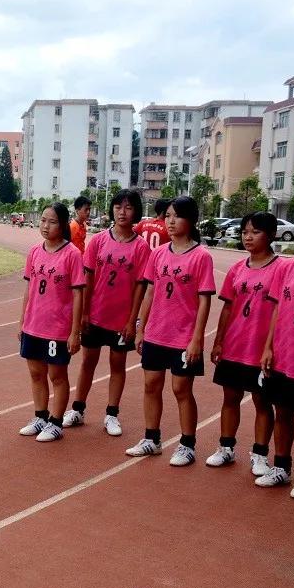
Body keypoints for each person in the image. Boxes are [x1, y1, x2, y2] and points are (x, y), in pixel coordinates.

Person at [130, 196, 216, 465]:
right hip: (156, 331)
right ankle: (151, 439)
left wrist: (196, 339)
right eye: (167, 215)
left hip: (183, 336)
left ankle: (187, 444)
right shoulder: (158, 254)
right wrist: (140, 328)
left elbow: (204, 300)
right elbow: (150, 292)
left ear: (190, 220)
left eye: (177, 216)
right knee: (151, 385)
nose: (170, 220)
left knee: (181, 389)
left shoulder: (201, 256)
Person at [64, 189, 150, 437]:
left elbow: (140, 288)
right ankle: (78, 409)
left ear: (136, 212)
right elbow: (87, 279)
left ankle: (112, 414)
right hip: (95, 315)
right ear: (112, 209)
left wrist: (132, 320)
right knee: (87, 362)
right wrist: (84, 313)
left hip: (120, 320)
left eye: (128, 207)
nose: (122, 212)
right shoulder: (99, 240)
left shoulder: (141, 248)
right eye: (118, 207)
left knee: (117, 365)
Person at [208, 211, 281, 473]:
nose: (248, 237)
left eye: (255, 232)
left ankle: (260, 454)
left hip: (261, 349)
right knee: (230, 397)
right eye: (244, 232)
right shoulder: (238, 269)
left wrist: (271, 347)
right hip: (234, 346)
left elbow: (279, 311)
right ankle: (226, 447)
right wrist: (218, 341)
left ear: (271, 235)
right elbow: (228, 308)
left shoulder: (280, 269)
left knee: (262, 402)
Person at [17, 202, 84, 443]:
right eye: (43, 220)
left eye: (52, 221)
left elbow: (78, 294)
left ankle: (56, 422)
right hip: (33, 325)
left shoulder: (72, 254)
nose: (45, 226)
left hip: (57, 328)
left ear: (63, 224)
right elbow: (29, 288)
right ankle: (41, 416)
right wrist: (22, 321)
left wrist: (74, 332)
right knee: (36, 373)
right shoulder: (35, 251)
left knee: (57, 375)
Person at [259, 214, 294, 497]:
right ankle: (281, 466)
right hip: (286, 357)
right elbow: (277, 310)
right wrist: (268, 347)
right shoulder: (287, 268)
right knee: (283, 413)